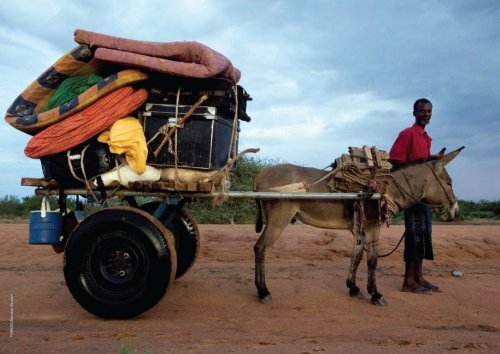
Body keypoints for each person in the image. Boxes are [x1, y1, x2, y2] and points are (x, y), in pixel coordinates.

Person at [389, 98, 441, 294]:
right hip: (410, 194)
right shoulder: (407, 134)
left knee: (424, 235)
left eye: (429, 111)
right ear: (414, 113)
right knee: (413, 235)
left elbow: (423, 164)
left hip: (424, 195)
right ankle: (408, 281)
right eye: (422, 111)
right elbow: (395, 160)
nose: (426, 114)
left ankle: (419, 277)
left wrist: (431, 159)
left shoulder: (426, 138)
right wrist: (421, 161)